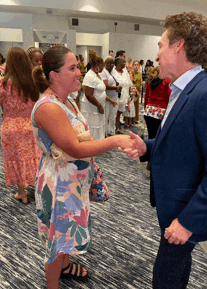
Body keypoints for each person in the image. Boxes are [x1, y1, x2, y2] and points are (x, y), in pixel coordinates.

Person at [121, 11, 207, 289]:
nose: (157, 54)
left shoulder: (206, 93)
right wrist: (146, 146)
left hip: (186, 211)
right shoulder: (181, 90)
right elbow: (181, 145)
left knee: (164, 278)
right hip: (173, 206)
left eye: (161, 45)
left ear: (179, 46)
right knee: (174, 271)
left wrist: (188, 222)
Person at [32, 45, 137, 289]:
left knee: (66, 233)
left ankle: (66, 267)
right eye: (73, 68)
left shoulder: (65, 101)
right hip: (59, 185)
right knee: (57, 240)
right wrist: (115, 140)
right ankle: (53, 284)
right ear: (54, 76)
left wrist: (83, 143)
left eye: (77, 67)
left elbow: (77, 142)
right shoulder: (48, 107)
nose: (79, 72)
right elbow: (76, 148)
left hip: (71, 180)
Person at [0, 47, 42, 204]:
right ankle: (39, 188)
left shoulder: (4, 83)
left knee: (16, 160)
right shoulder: (32, 80)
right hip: (31, 125)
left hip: (10, 127)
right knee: (34, 157)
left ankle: (21, 193)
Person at [81, 50, 115, 140]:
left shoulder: (97, 75)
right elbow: (89, 95)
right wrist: (99, 105)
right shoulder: (90, 76)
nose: (103, 68)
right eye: (102, 66)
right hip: (92, 107)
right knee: (93, 126)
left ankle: (97, 143)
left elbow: (100, 92)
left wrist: (110, 100)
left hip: (98, 106)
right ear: (96, 66)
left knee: (98, 126)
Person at [144, 66, 171, 169]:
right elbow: (169, 98)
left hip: (149, 112)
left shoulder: (149, 81)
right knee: (159, 139)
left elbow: (146, 97)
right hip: (160, 113)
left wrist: (147, 109)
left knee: (151, 136)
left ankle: (149, 160)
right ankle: (155, 161)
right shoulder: (167, 82)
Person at [100, 56, 121, 136]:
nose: (112, 65)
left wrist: (118, 87)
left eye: (113, 63)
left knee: (113, 116)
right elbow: (105, 85)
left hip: (115, 97)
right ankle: (104, 133)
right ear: (105, 64)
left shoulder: (113, 71)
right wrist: (116, 87)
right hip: (107, 99)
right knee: (106, 116)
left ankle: (111, 132)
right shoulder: (103, 72)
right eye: (110, 63)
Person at [112, 57, 133, 134]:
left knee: (119, 114)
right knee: (113, 114)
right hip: (115, 97)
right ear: (118, 63)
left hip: (124, 96)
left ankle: (116, 129)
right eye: (123, 62)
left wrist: (130, 92)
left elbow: (129, 83)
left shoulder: (125, 71)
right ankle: (111, 130)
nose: (125, 64)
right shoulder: (113, 71)